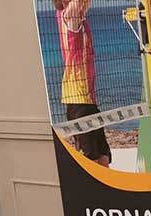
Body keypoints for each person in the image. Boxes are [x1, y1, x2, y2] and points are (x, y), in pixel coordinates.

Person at [55, 0, 111, 167]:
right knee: (90, 160)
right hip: (78, 101)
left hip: (88, 100)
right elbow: (77, 4)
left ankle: (108, 191)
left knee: (104, 155)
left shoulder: (79, 18)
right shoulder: (68, 16)